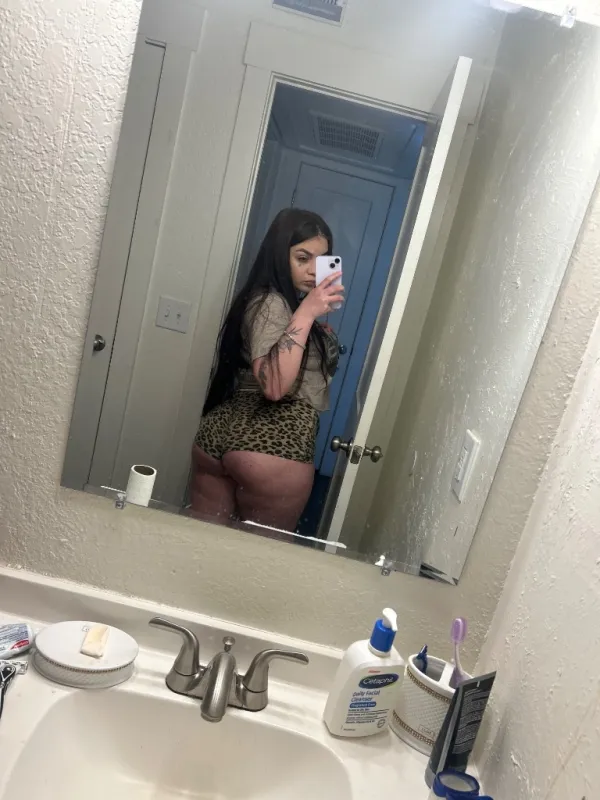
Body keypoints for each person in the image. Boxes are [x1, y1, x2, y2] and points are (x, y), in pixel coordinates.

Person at [191, 208, 343, 532]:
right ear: (278, 253)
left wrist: (309, 324)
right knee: (261, 557)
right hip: (275, 441)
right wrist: (306, 314)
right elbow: (274, 386)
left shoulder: (268, 301)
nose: (313, 270)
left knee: (201, 543)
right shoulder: (272, 302)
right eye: (302, 257)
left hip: (219, 434)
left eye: (321, 260)